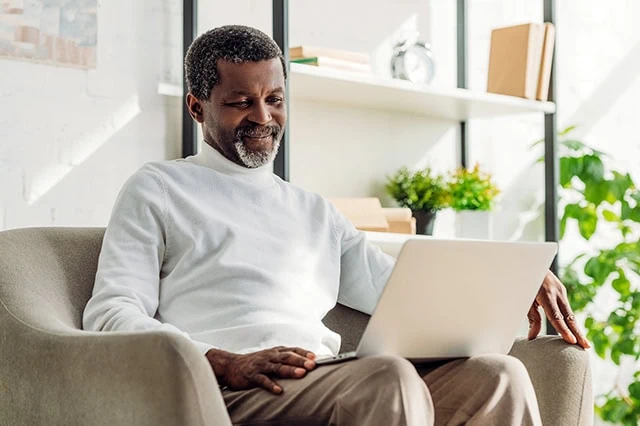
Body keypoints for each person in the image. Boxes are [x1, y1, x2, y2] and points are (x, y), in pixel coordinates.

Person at [83, 25, 590, 426]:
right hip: (233, 390)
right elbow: (110, 313)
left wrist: (511, 285)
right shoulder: (159, 188)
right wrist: (221, 360)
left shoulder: (313, 211)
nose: (264, 116)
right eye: (242, 102)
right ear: (197, 107)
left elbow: (404, 293)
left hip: (326, 376)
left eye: (275, 99)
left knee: (498, 375)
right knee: (386, 378)